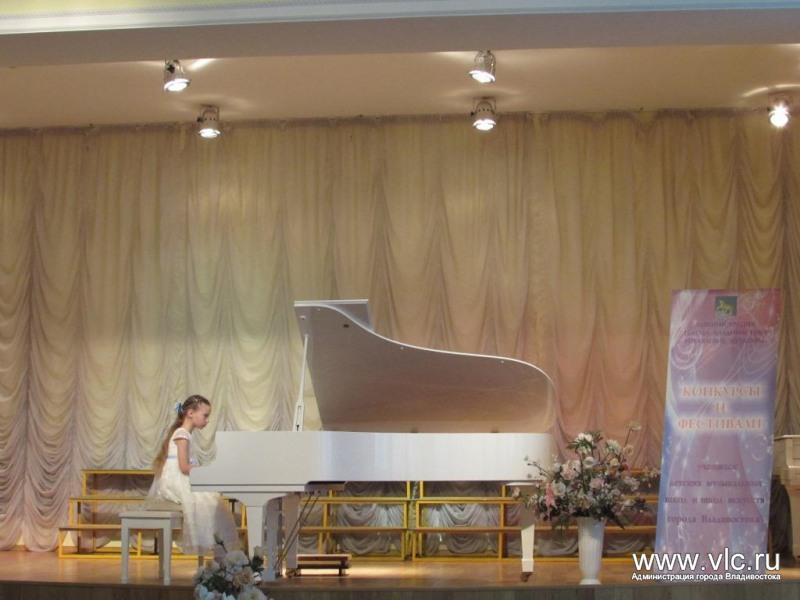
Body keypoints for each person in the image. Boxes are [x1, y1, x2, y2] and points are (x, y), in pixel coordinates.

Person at [149, 394, 240, 554]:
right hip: (175, 481)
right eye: (205, 415)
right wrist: (205, 471)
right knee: (211, 501)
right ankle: (214, 544)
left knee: (213, 501)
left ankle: (218, 546)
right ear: (190, 413)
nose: (207, 420)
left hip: (178, 477)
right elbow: (184, 467)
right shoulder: (182, 434)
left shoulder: (184, 433)